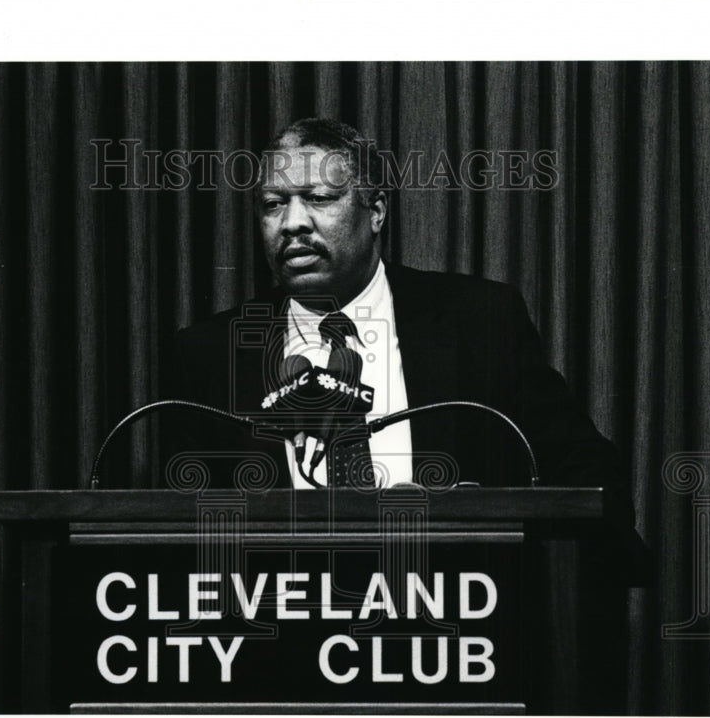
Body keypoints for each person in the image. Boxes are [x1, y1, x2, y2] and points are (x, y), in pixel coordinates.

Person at [167, 117, 628, 496]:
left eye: (318, 199)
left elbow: (582, 466)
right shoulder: (208, 355)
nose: (293, 223)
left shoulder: (480, 320)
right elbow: (172, 520)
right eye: (273, 205)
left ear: (377, 211)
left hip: (453, 597)